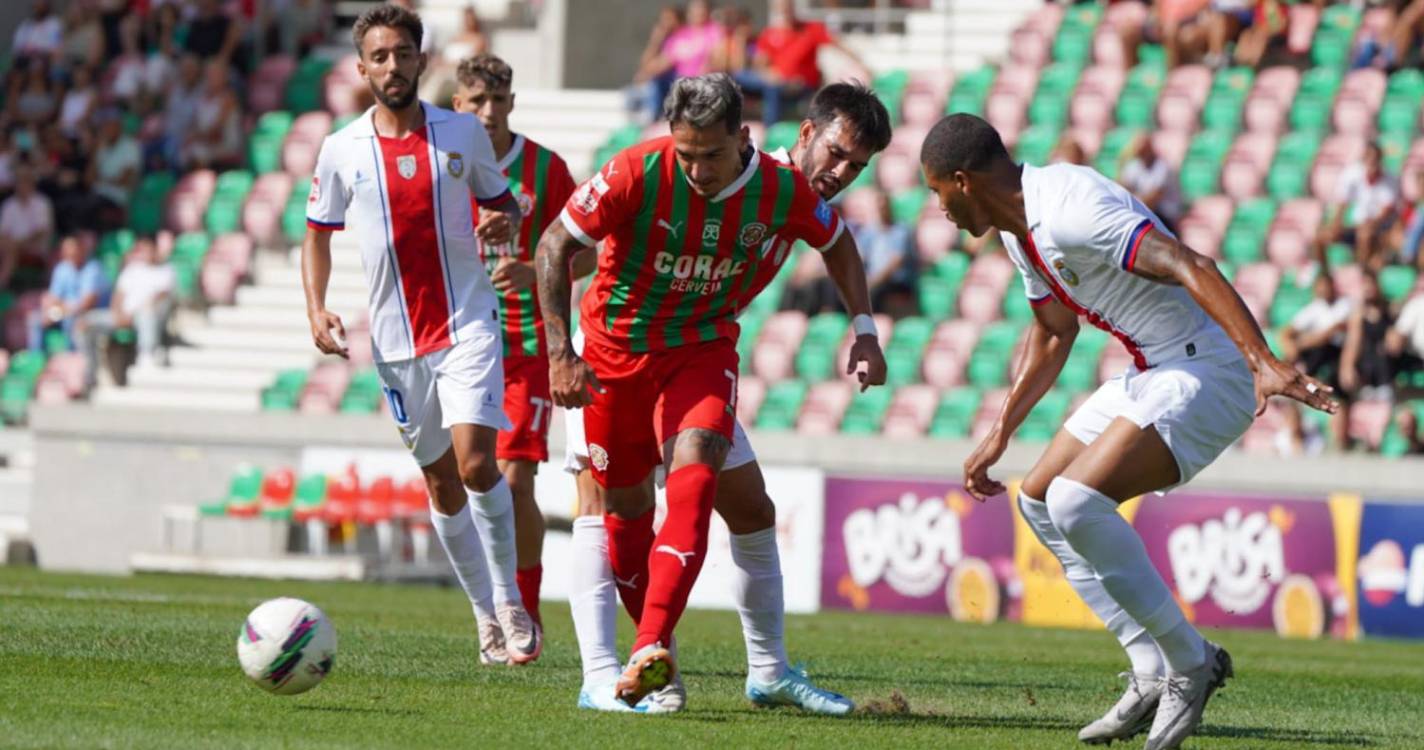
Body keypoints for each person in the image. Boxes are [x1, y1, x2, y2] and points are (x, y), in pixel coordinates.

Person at [919, 113, 1335, 750]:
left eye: (935, 191)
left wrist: (1264, 363)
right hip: (1153, 367)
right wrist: (1002, 431)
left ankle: (1190, 664)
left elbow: (1187, 260)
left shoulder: (1071, 210)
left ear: (962, 181)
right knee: (1038, 499)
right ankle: (1149, 668)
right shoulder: (1018, 230)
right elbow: (1056, 332)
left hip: (1210, 371)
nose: (937, 207)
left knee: (1074, 500)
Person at [537, 73, 888, 711]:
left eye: (712, 155)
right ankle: (606, 673)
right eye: (687, 153)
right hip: (611, 355)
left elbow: (839, 245)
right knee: (610, 507)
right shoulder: (639, 171)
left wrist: (864, 329)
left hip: (700, 352)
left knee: (729, 499)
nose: (698, 169)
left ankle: (732, 664)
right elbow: (561, 245)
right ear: (805, 133)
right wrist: (559, 351)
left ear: (742, 138)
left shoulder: (785, 194)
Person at [301, 4, 540, 667]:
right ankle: (484, 616)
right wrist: (315, 307)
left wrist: (506, 226)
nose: (392, 66)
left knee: (474, 464)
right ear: (362, 68)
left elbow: (504, 203)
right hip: (395, 346)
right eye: (379, 56)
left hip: (466, 322)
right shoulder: (342, 149)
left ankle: (512, 599)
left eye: (403, 54)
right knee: (440, 484)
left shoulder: (462, 134)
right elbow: (317, 234)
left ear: (421, 60)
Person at [451, 53, 579, 630]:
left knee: (515, 476)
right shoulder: (443, 167)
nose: (487, 111)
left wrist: (536, 270)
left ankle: (522, 605)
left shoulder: (545, 170)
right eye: (476, 101)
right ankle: (496, 597)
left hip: (527, 346)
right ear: (458, 105)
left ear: (511, 103)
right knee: (467, 473)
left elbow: (596, 253)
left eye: (497, 100)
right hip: (458, 342)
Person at [735, 0, 867, 125]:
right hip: (776, 82)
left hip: (801, 85)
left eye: (788, 5)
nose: (785, 9)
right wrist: (769, 74)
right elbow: (760, 64)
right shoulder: (770, 33)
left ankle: (772, 130)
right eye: (782, 6)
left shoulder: (811, 29)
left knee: (772, 89)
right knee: (736, 77)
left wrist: (861, 62)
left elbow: (838, 44)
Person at [74, 236, 174, 392]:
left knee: (146, 313)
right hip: (121, 316)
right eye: (141, 250)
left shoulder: (165, 271)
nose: (144, 254)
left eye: (148, 250)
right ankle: (89, 372)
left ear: (155, 251)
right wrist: (118, 313)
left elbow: (162, 296)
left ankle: (146, 354)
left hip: (145, 316)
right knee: (84, 323)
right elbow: (118, 295)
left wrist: (133, 314)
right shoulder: (131, 270)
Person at [1313, 143, 1398, 271]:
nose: (1372, 161)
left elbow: (1386, 212)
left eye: (1375, 158)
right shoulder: (1352, 174)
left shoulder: (1390, 180)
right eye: (1369, 157)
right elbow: (1342, 204)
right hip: (1354, 225)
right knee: (1320, 238)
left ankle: (1361, 272)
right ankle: (1324, 273)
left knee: (1365, 235)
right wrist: (1336, 225)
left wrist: (1368, 225)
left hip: (1377, 228)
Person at [26, 235, 107, 353]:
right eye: (67, 253)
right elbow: (53, 297)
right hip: (64, 310)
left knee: (71, 320)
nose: (70, 256)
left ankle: (72, 358)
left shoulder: (93, 268)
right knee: (36, 319)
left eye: (73, 252)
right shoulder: (62, 268)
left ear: (81, 250)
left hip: (87, 313)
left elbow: (87, 303)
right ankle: (36, 360)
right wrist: (47, 310)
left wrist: (64, 308)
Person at [1279, 271, 1352, 402]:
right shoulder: (1315, 307)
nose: (1323, 289)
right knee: (1305, 364)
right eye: (1320, 286)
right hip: (1317, 353)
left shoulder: (1345, 305)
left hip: (1337, 352)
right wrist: (1290, 347)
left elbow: (1328, 335)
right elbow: (1287, 331)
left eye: (1326, 285)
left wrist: (1301, 343)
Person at [853, 188, 917, 319]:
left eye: (884, 206)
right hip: (872, 279)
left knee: (872, 292)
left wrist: (873, 281)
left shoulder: (901, 230)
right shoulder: (869, 232)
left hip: (895, 281)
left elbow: (896, 262)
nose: (882, 210)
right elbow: (859, 256)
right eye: (879, 207)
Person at [0, 165, 55, 288]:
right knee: (9, 247)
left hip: (35, 247)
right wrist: (12, 243)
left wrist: (18, 243)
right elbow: (3, 232)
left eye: (25, 181)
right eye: (19, 181)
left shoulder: (42, 203)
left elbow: (41, 232)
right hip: (10, 246)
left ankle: (2, 284)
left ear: (31, 183)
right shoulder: (8, 205)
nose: (21, 185)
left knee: (10, 248)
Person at [1119, 134, 1183, 232]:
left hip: (1165, 216)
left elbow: (1154, 198)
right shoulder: (1135, 165)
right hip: (1145, 211)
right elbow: (1122, 187)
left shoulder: (1163, 167)